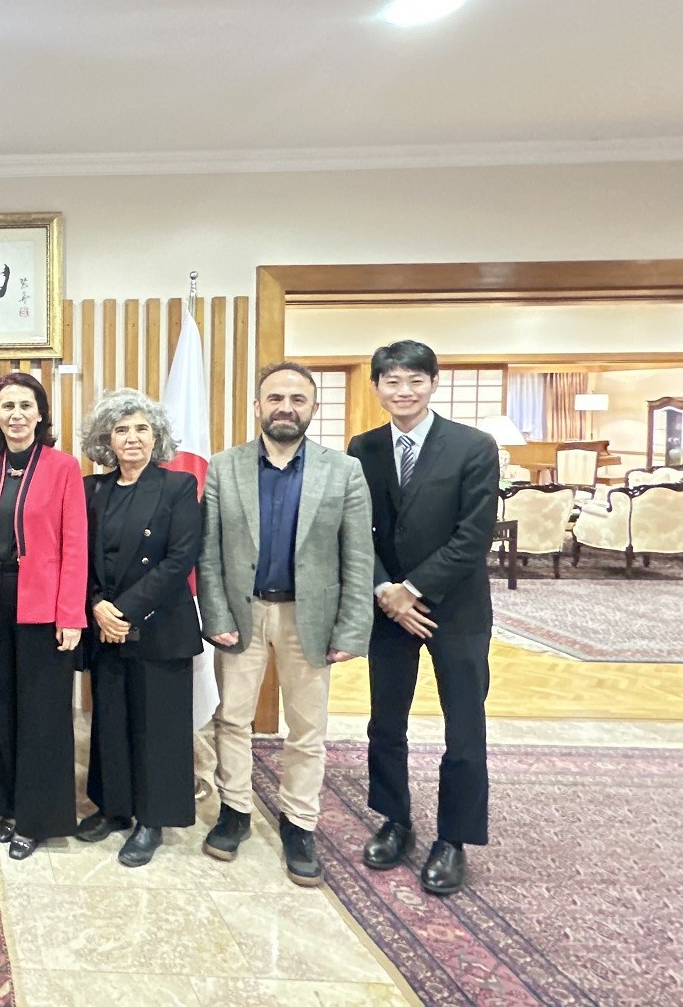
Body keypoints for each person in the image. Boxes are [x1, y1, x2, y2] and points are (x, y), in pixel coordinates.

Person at [197, 362, 374, 886]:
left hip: (309, 617)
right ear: (258, 407)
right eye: (275, 398)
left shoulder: (344, 471)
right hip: (242, 613)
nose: (286, 408)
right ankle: (235, 811)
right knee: (233, 719)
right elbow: (208, 552)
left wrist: (351, 629)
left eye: (298, 399)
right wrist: (216, 613)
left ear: (312, 408)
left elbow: (358, 556)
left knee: (307, 729)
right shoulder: (224, 467)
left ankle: (299, 822)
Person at [346, 340, 497, 896]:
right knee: (386, 722)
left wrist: (412, 589)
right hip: (387, 607)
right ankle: (395, 820)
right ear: (377, 387)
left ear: (434, 382)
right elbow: (355, 528)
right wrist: (386, 590)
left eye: (414, 380)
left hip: (456, 609)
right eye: (392, 381)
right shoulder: (362, 448)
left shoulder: (473, 446)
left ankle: (454, 839)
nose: (403, 391)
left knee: (464, 726)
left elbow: (474, 534)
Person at [0, 371, 87, 861]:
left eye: (26, 405)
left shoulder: (63, 466)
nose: (16, 415)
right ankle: (7, 803)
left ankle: (37, 817)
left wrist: (70, 614)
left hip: (44, 604)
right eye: (7, 406)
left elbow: (75, 544)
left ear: (40, 414)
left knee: (41, 712)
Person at [75, 388, 202, 868]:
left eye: (142, 429)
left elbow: (179, 559)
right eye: (122, 429)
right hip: (104, 625)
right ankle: (114, 808)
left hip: (157, 626)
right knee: (110, 721)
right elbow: (79, 554)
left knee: (157, 727)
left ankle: (152, 820)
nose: (132, 438)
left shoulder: (177, 486)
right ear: (106, 439)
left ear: (156, 436)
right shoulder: (92, 489)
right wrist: (96, 606)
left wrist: (122, 611)